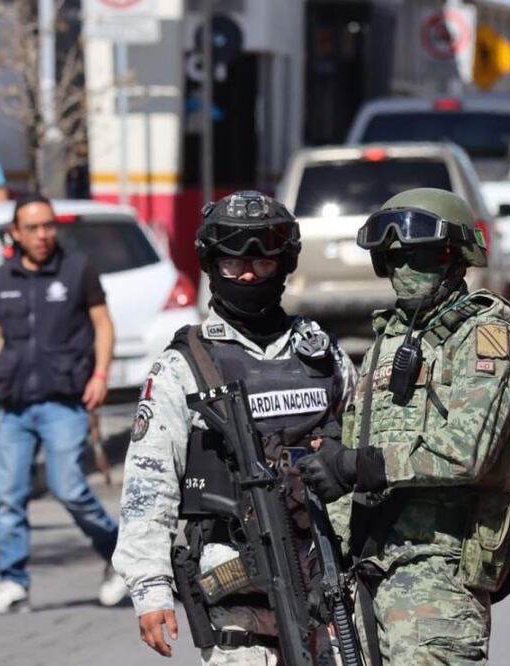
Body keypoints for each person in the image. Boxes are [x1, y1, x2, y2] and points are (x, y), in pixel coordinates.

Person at [112, 191, 356, 663]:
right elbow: (148, 485)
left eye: (263, 263)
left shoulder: (321, 354)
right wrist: (150, 589)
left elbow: (365, 444)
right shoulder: (184, 367)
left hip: (326, 581)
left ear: (284, 264)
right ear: (211, 266)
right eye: (233, 263)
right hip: (237, 598)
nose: (248, 275)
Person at [299, 188, 510, 664]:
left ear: (454, 258)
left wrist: (358, 465)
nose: (403, 269)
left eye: (419, 256)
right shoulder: (389, 338)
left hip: (438, 577)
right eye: (392, 258)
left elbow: (467, 452)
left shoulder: (485, 335)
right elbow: (355, 447)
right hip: (367, 572)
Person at [0, 194, 125, 614]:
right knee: (9, 495)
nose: (42, 235)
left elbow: (103, 324)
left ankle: (120, 559)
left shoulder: (77, 269)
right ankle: (13, 581)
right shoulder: (6, 276)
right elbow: (1, 337)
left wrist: (100, 375)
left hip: (64, 400)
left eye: (48, 226)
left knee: (69, 488)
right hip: (15, 403)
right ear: (16, 233)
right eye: (33, 228)